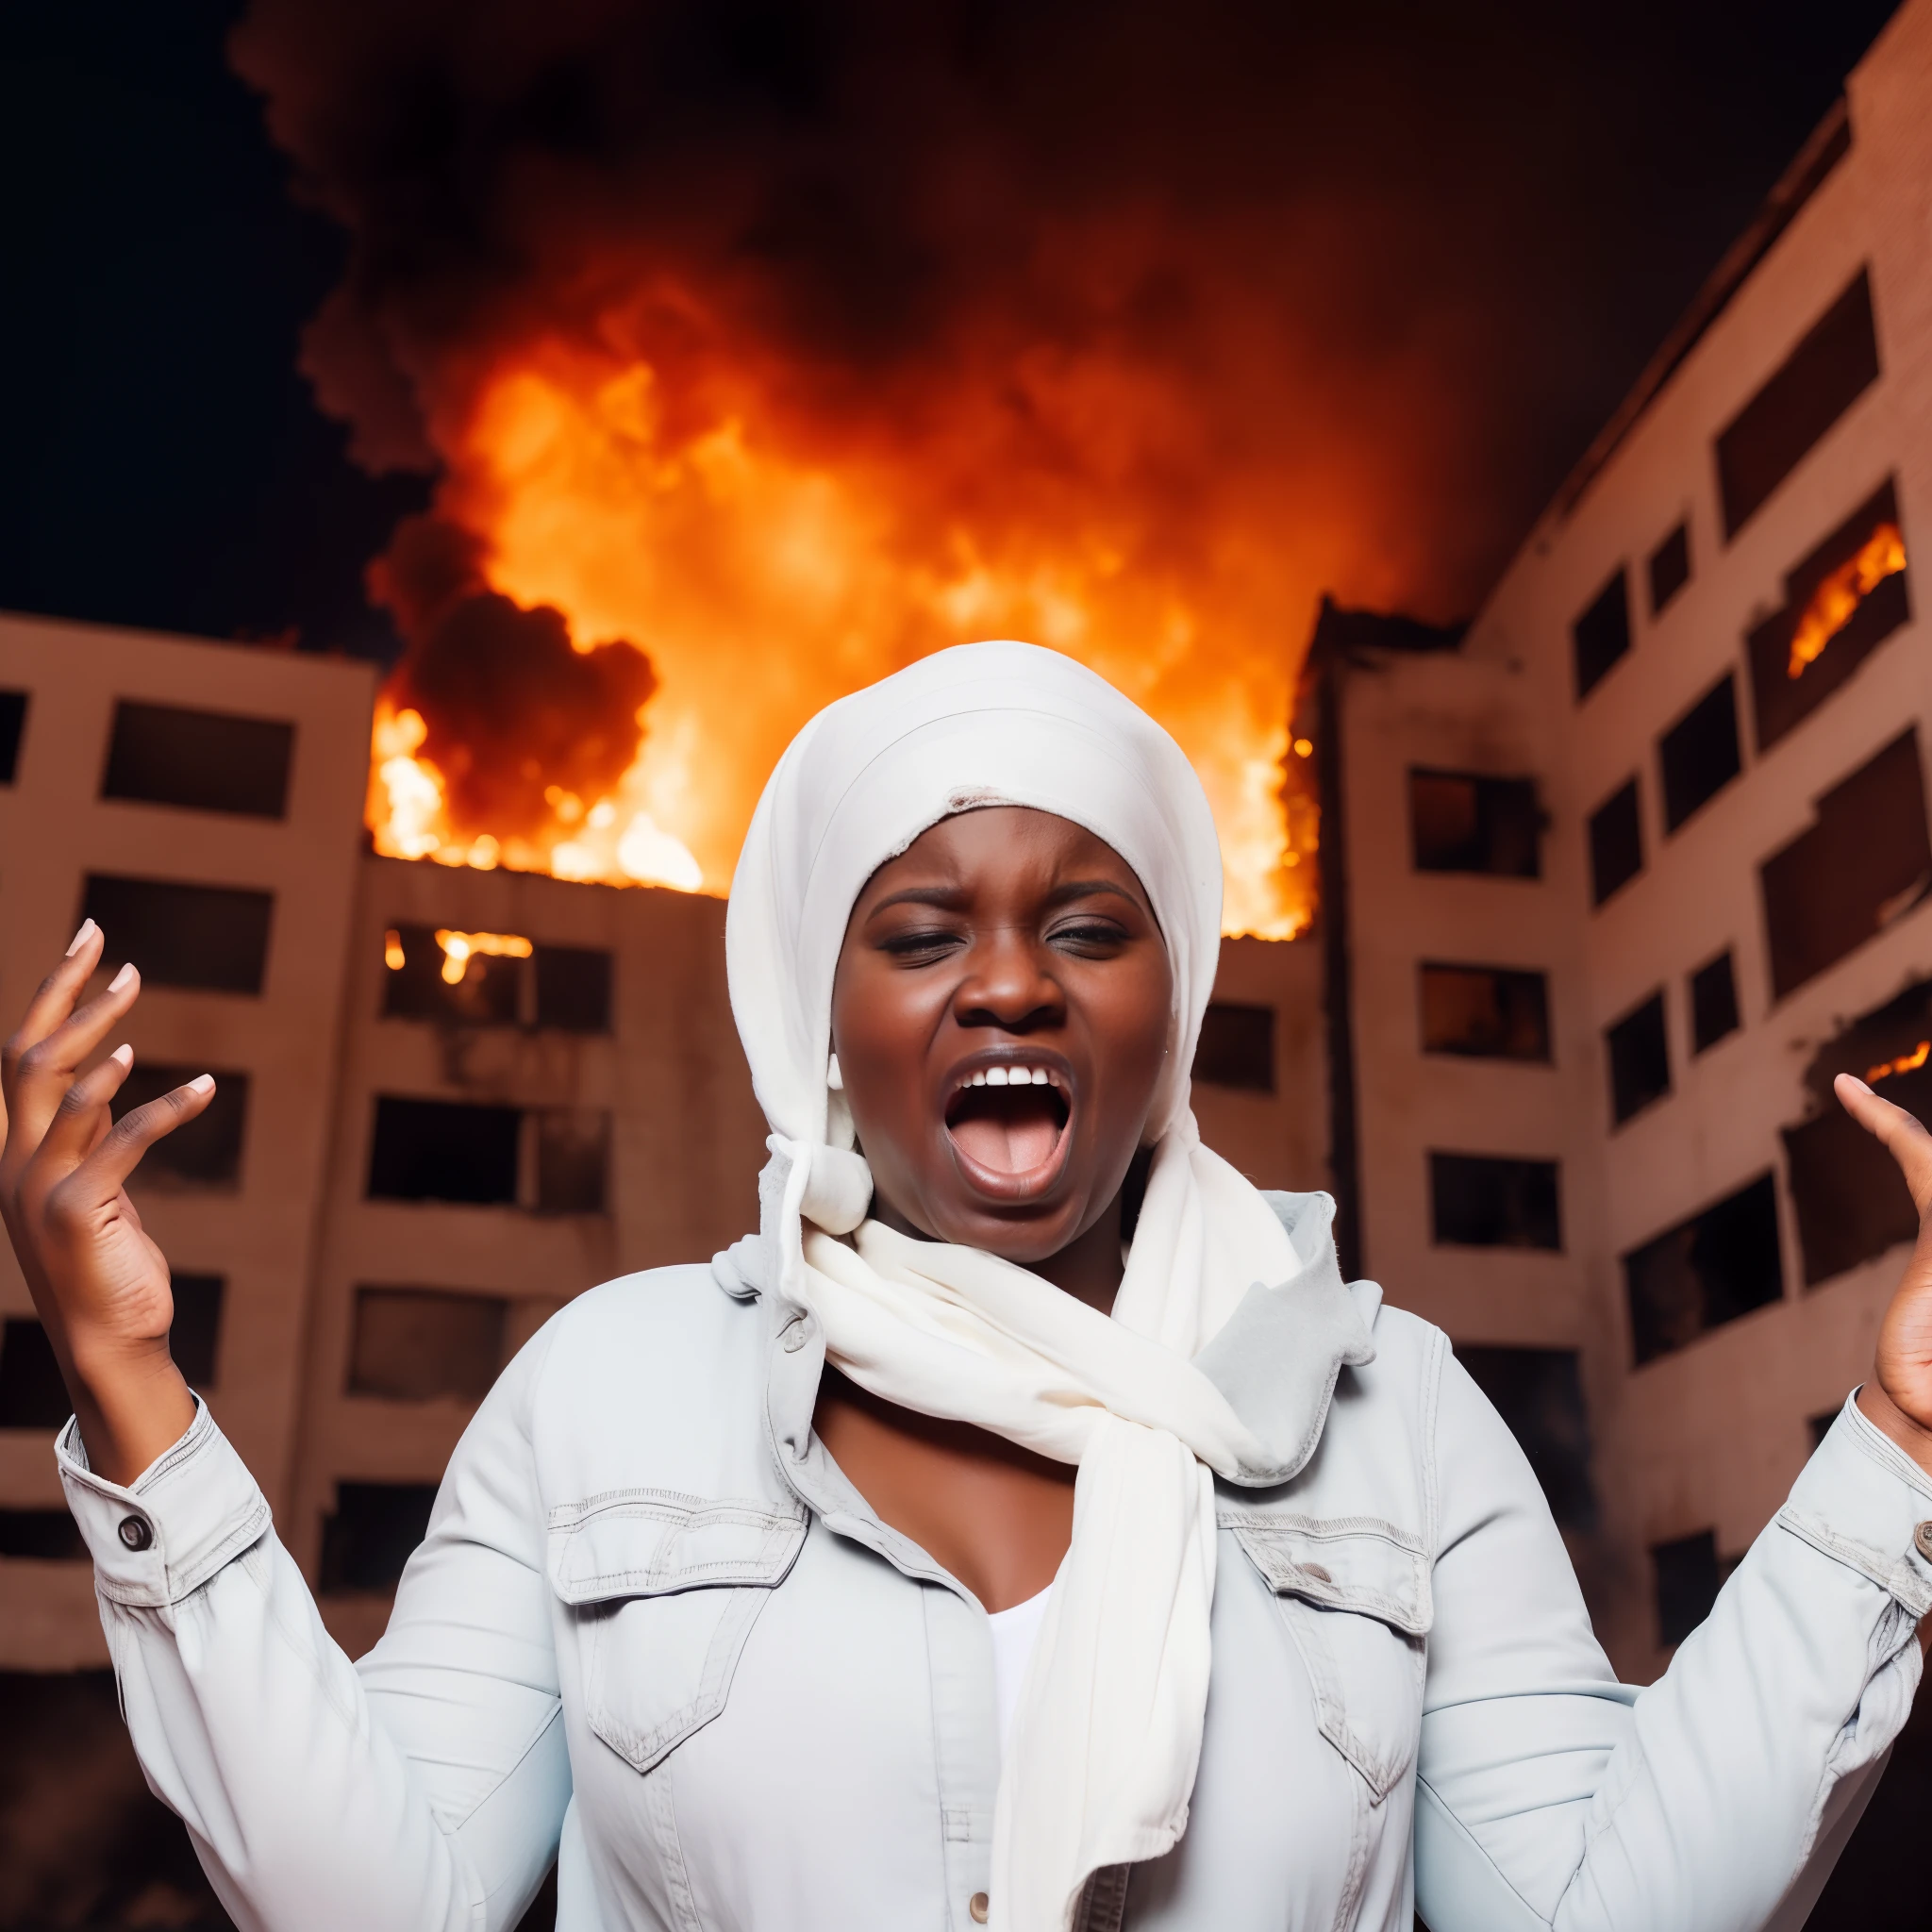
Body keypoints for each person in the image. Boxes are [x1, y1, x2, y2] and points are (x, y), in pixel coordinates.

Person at [3, 641, 1930, 1932]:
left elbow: (1610, 1905)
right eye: (921, 933)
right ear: (819, 1017)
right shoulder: (612, 1388)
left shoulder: (1388, 1408)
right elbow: (375, 1898)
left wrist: (1899, 1447)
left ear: (1166, 1005)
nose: (1009, 982)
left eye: (1087, 927)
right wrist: (128, 1387)